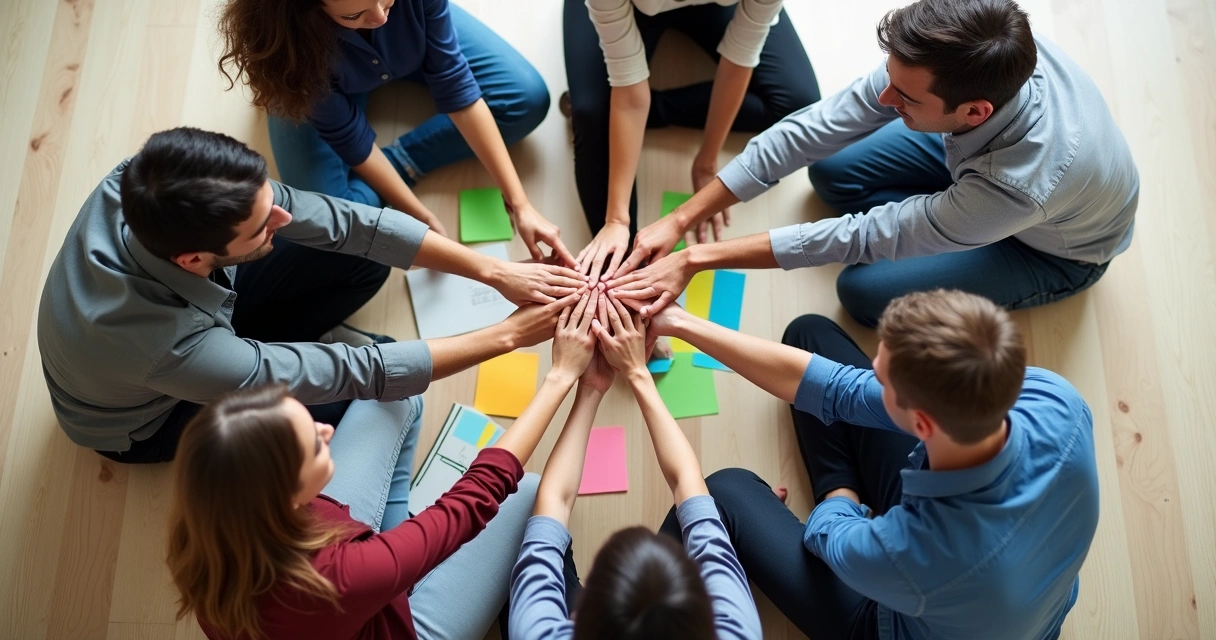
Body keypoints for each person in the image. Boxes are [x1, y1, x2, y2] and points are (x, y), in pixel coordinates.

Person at [37, 127, 586, 463]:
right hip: (148, 419)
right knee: (353, 403)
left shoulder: (149, 179)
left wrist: (493, 271)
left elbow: (350, 224)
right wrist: (511, 333)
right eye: (261, 227)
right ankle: (261, 354)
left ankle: (261, 350)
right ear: (194, 260)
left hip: (188, 330)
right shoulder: (165, 345)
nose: (283, 216)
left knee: (363, 260)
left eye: (268, 197)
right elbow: (357, 371)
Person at [606, 0, 1139, 327]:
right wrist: (680, 219)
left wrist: (697, 259)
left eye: (905, 98)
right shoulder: (982, 43)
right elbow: (815, 128)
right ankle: (944, 224)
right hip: (978, 170)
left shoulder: (1018, 184)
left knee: (861, 292)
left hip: (1050, 251)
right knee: (832, 172)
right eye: (890, 78)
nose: (883, 100)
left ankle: (947, 227)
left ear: (973, 111)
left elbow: (865, 237)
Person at [640, 289, 1099, 639]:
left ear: (921, 423)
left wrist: (841, 499)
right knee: (810, 333)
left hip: (906, 610)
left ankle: (839, 484)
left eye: (882, 376)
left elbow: (826, 534)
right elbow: (840, 388)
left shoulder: (911, 552)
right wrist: (679, 322)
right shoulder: (1055, 398)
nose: (872, 370)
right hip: (1005, 587)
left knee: (724, 489)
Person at [164, 300, 597, 640]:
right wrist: (561, 375)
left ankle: (408, 551)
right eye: (314, 445)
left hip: (345, 590)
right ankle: (411, 564)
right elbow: (476, 498)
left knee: (393, 395)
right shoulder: (343, 575)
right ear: (290, 495)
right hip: (397, 626)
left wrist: (508, 335)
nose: (326, 430)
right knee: (529, 492)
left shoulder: (210, 523)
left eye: (309, 418)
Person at [217, 0, 576, 265]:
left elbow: (456, 87)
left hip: (411, 55)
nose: (380, 17)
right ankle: (391, 173)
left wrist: (521, 204)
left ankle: (398, 163)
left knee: (526, 99)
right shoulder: (289, 50)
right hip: (312, 74)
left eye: (386, 0)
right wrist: (417, 213)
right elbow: (350, 138)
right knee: (334, 224)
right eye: (353, 15)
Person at [509, 293, 762, 640]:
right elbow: (687, 481)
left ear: (578, 613)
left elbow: (554, 501)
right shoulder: (736, 632)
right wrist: (636, 373)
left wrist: (586, 386)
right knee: (726, 489)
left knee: (522, 512)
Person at [564, 0, 821, 284]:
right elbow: (628, 90)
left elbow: (740, 56)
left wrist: (706, 162)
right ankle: (624, 282)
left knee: (798, 103)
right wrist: (616, 219)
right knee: (590, 115)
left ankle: (652, 111)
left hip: (716, 7)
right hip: (630, 8)